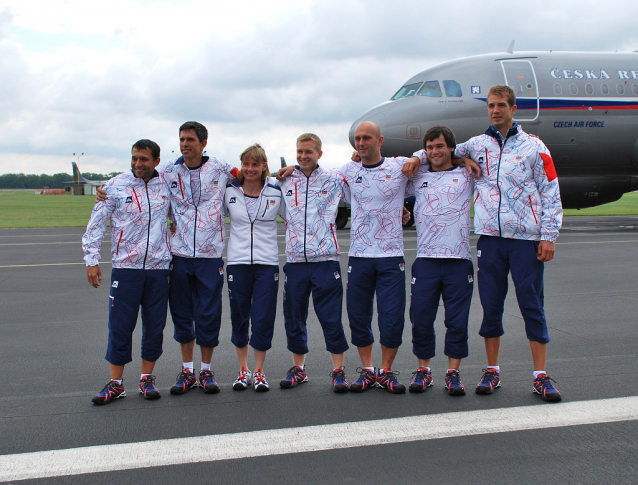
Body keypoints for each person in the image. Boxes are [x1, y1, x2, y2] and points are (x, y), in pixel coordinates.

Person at [96, 121, 239, 395]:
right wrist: (107, 186)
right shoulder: (168, 171)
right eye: (182, 139)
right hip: (179, 256)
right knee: (183, 317)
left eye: (190, 140)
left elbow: (250, 175)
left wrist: (287, 173)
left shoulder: (221, 167)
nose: (185, 144)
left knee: (209, 315)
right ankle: (187, 371)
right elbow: (139, 174)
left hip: (210, 256)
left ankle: (206, 372)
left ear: (203, 143)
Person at [454, 85, 563, 402]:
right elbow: (438, 152)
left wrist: (548, 236)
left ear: (513, 108)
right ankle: (492, 371)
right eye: (490, 106)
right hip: (490, 240)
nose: (495, 110)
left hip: (525, 241)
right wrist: (463, 162)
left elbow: (551, 192)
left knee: (532, 305)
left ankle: (540, 376)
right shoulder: (476, 145)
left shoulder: (534, 147)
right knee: (491, 306)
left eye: (501, 105)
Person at [83, 139, 171, 405]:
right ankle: (116, 383)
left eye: (143, 159)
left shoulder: (167, 184)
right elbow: (96, 224)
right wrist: (91, 259)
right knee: (120, 326)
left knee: (154, 328)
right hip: (126, 269)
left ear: (156, 161)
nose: (137, 164)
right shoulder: (114, 186)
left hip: (159, 270)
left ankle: (147, 379)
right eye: (134, 158)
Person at [339, 121, 414, 394]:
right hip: (359, 256)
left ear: (380, 140)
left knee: (391, 318)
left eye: (367, 138)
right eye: (358, 138)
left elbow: (431, 157)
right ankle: (368, 370)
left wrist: (418, 156)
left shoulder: (399, 166)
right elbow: (317, 177)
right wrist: (291, 170)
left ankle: (386, 371)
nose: (361, 143)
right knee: (358, 316)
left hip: (390, 256)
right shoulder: (348, 170)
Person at [276, 133, 351, 393]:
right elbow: (251, 179)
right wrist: (287, 170)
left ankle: (339, 371)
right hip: (296, 261)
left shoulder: (334, 179)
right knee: (294, 317)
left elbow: (364, 190)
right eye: (299, 152)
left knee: (330, 318)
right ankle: (299, 368)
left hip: (325, 260)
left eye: (308, 152)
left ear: (319, 153)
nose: (303, 156)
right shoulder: (284, 181)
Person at [406, 125, 474, 396]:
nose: (435, 151)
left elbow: (479, 158)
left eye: (440, 146)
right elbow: (391, 172)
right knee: (421, 319)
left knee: (456, 321)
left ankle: (453, 373)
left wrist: (462, 159)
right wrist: (416, 157)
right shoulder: (417, 176)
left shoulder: (467, 174)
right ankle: (424, 370)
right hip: (426, 260)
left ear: (450, 148)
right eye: (430, 147)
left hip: (458, 260)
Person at [224, 144, 286, 392]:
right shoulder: (229, 191)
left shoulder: (276, 190)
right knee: (239, 316)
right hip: (237, 263)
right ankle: (243, 370)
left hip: (266, 263)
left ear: (263, 167)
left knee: (262, 318)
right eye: (246, 164)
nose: (250, 169)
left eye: (255, 164)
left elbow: (294, 216)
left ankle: (259, 371)